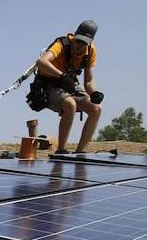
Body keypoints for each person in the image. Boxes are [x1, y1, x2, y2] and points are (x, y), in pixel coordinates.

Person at [34, 20, 104, 155]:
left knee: (96, 109)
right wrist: (62, 76)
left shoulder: (90, 51)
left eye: (83, 43)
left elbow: (88, 81)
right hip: (49, 84)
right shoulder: (62, 44)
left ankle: (80, 152)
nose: (79, 45)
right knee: (70, 104)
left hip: (70, 84)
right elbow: (41, 62)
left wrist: (94, 93)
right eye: (78, 41)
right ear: (75, 36)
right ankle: (61, 150)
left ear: (89, 42)